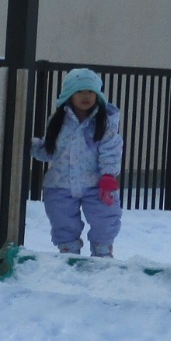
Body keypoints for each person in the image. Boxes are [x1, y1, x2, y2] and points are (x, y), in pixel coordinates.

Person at [31, 68, 124, 257]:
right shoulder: (58, 121)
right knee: (62, 219)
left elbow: (111, 150)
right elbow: (52, 150)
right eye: (80, 91)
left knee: (104, 218)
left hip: (96, 183)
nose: (86, 96)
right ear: (69, 94)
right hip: (60, 183)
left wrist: (108, 175)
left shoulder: (104, 123)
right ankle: (69, 252)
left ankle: (102, 251)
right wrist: (32, 146)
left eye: (91, 91)